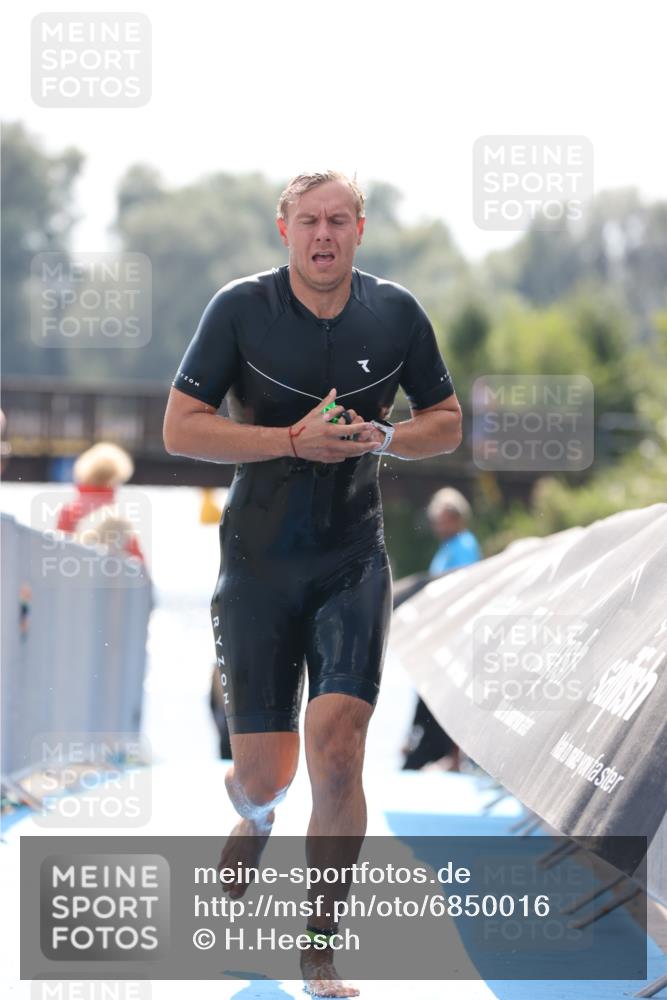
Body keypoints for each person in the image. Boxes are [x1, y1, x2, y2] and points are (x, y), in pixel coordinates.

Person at [163, 170, 462, 997]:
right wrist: (289, 441)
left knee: (338, 749)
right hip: (257, 564)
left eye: (337, 220)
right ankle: (255, 813)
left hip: (350, 559)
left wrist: (387, 438)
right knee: (267, 772)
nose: (322, 234)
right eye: (308, 221)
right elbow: (180, 427)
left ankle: (320, 942)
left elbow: (445, 421)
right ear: (283, 229)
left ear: (359, 229)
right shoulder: (239, 308)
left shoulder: (396, 313)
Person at [402, 487, 481, 773]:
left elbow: (461, 586)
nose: (439, 527)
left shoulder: (464, 546)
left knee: (452, 690)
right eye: (437, 522)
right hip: (441, 630)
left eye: (444, 521)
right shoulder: (448, 547)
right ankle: (428, 744)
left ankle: (454, 755)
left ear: (458, 519)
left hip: (456, 631)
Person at [55, 442, 144, 562]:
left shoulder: (70, 511)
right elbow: (139, 562)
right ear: (116, 477)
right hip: (109, 571)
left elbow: (59, 551)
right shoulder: (119, 518)